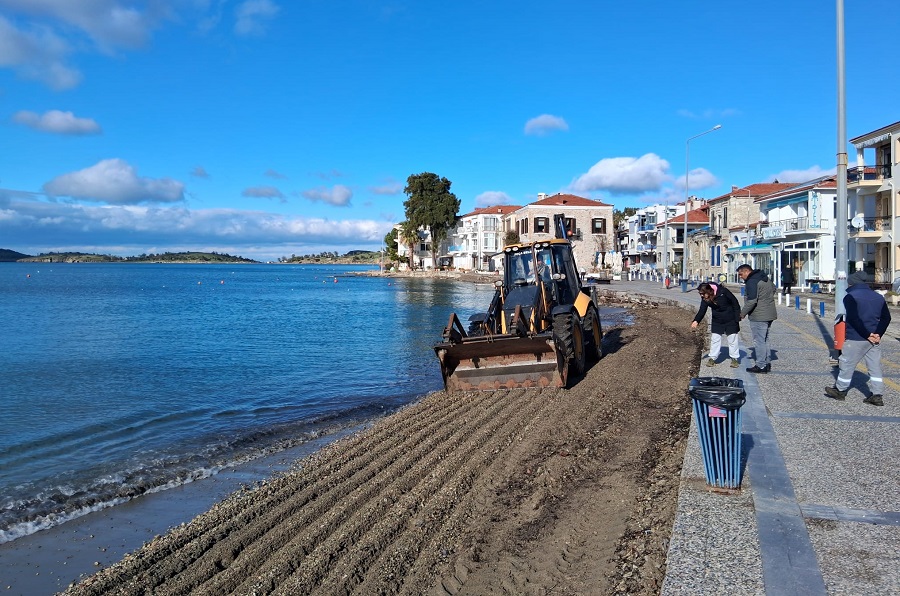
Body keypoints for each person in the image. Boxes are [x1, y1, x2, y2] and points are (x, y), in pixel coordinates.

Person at [825, 271, 892, 406]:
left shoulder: (850, 297)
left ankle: (840, 391)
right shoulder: (878, 297)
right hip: (874, 339)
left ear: (853, 282)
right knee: (874, 366)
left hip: (856, 337)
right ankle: (877, 395)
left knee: (846, 363)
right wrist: (877, 334)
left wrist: (867, 335)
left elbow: (854, 319)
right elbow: (886, 318)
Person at [737, 264, 777, 373]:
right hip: (769, 313)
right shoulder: (763, 277)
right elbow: (774, 288)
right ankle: (766, 363)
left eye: (741, 274)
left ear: (746, 271)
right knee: (765, 339)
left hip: (759, 315)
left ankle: (760, 365)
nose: (740, 277)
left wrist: (742, 313)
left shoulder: (752, 281)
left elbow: (752, 300)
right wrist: (765, 300)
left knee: (759, 340)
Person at [691, 281, 741, 368]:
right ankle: (712, 358)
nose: (701, 296)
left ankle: (734, 358)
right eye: (700, 294)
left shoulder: (723, 292)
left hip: (730, 318)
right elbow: (702, 310)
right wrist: (696, 321)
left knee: (732, 339)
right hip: (717, 320)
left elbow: (735, 303)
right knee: (715, 339)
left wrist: (737, 317)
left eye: (702, 294)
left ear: (709, 291)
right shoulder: (705, 298)